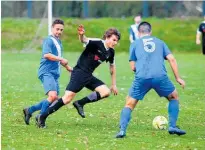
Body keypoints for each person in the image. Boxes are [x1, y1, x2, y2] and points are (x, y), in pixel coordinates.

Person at [35, 25, 121, 128]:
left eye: (116, 41)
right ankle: (42, 116)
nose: (115, 43)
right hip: (79, 73)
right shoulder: (97, 43)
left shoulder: (111, 52)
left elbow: (112, 67)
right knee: (66, 99)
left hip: (88, 75)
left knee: (105, 92)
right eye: (113, 40)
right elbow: (84, 40)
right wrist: (81, 35)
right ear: (107, 37)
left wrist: (114, 84)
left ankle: (80, 103)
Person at [116, 21, 186, 138]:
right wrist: (178, 78)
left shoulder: (134, 44)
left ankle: (122, 130)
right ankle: (172, 126)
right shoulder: (160, 42)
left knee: (129, 104)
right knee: (173, 96)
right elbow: (172, 59)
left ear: (138, 33)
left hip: (142, 77)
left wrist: (143, 69)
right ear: (150, 32)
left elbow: (133, 67)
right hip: (160, 76)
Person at [23, 19, 72, 125]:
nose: (59, 31)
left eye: (61, 30)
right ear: (52, 28)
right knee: (53, 96)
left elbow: (59, 58)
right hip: (46, 72)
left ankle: (29, 110)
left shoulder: (59, 42)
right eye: (57, 29)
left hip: (54, 74)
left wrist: (67, 66)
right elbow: (47, 55)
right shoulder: (49, 40)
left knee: (54, 100)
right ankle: (40, 118)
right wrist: (61, 60)